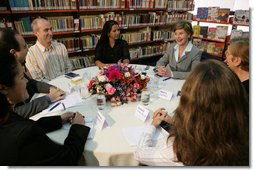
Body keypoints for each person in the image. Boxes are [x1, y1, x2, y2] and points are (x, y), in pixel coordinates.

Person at [135, 60, 249, 166]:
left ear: (189, 106)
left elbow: (140, 153)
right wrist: (173, 121)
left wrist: (152, 125)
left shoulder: (180, 151)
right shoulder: (244, 138)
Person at [0, 47, 90, 165]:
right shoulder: (26, 136)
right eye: (22, 78)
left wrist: (59, 119)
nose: (27, 82)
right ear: (3, 88)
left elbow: (29, 123)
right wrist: (78, 127)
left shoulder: (5, 117)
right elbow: (67, 159)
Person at [0, 28, 65, 118]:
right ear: (13, 53)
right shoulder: (5, 76)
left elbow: (31, 83)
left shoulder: (18, 66)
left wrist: (51, 88)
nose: (28, 49)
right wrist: (48, 98)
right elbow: (14, 113)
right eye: (24, 47)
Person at [25, 17, 72, 81]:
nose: (51, 33)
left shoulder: (61, 47)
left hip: (66, 85)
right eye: (46, 30)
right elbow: (38, 79)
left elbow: (68, 68)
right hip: (49, 90)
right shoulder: (31, 54)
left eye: (51, 29)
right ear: (36, 33)